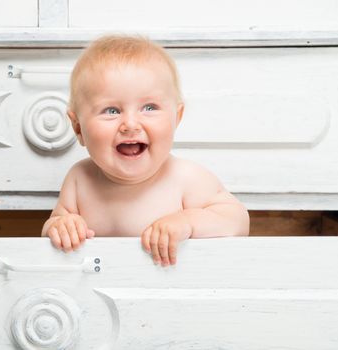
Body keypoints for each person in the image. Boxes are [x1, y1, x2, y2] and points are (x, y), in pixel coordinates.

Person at [41, 35, 249, 267]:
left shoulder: (185, 178)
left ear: (176, 118)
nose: (130, 124)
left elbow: (237, 221)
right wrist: (60, 226)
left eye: (149, 107)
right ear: (78, 127)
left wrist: (187, 222)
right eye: (111, 110)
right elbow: (53, 226)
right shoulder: (80, 179)